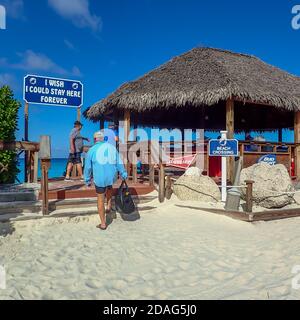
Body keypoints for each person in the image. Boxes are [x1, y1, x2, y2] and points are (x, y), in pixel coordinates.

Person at [84, 131, 128, 230]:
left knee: (100, 198)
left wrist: (87, 180)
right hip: (111, 177)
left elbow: (87, 168)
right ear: (103, 139)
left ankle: (103, 224)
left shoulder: (91, 150)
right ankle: (108, 205)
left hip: (100, 179)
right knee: (109, 187)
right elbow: (119, 162)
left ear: (95, 139)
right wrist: (123, 173)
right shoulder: (112, 148)